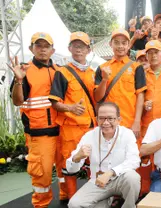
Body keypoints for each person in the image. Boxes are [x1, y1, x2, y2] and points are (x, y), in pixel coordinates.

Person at [8, 32, 64, 207]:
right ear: (31, 48)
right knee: (43, 173)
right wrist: (19, 80)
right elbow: (18, 101)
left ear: (52, 50)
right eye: (38, 46)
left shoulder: (60, 71)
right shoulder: (25, 70)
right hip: (39, 134)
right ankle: (41, 204)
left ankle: (67, 197)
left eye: (46, 46)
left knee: (65, 170)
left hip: (62, 130)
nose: (42, 50)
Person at [49, 32, 97, 199]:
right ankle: (72, 198)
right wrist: (70, 108)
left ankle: (95, 196)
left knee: (95, 163)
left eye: (82, 46)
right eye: (75, 46)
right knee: (70, 165)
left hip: (92, 127)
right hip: (71, 128)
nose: (79, 49)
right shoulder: (62, 73)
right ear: (69, 48)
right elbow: (54, 102)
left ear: (88, 50)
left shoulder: (93, 73)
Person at [67, 102, 141, 208]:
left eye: (110, 118)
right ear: (97, 119)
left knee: (132, 177)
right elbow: (71, 170)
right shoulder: (89, 136)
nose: (106, 123)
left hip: (120, 179)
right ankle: (106, 200)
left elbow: (134, 161)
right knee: (74, 204)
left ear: (119, 120)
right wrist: (77, 157)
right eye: (102, 118)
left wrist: (111, 172)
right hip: (98, 182)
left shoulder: (127, 134)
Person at [94, 28, 147, 139]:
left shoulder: (136, 67)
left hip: (129, 122)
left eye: (124, 43)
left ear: (128, 45)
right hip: (107, 123)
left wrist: (137, 121)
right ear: (110, 44)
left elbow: (140, 96)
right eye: (116, 42)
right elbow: (98, 97)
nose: (120, 46)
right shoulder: (102, 68)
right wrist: (104, 80)